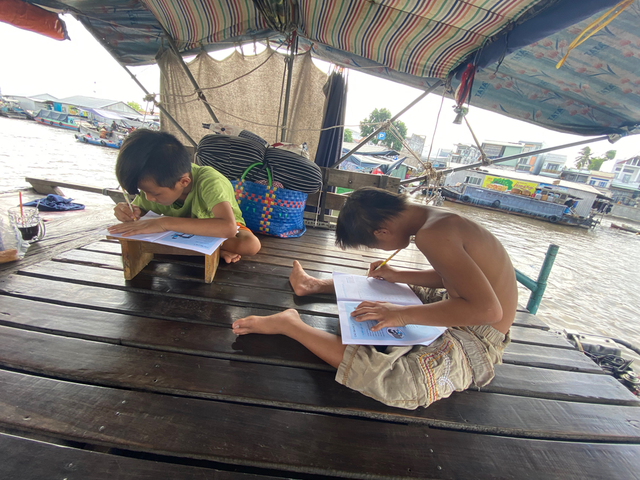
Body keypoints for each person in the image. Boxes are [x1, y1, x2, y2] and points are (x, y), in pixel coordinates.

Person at [232, 187, 517, 410]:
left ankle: (291, 325)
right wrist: (397, 275)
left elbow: (487, 310)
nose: (376, 248)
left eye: (373, 244)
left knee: (397, 383)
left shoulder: (433, 234)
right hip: (464, 303)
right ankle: (314, 285)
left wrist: (401, 314)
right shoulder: (435, 220)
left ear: (381, 232)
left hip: (477, 334)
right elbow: (450, 277)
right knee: (389, 288)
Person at [107, 129, 261, 263]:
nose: (148, 198)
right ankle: (211, 250)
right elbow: (143, 213)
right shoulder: (156, 183)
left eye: (154, 193)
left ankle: (207, 249)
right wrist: (130, 212)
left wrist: (164, 223)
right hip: (182, 232)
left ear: (184, 182)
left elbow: (228, 228)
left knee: (250, 245)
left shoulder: (210, 182)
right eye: (143, 192)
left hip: (220, 228)